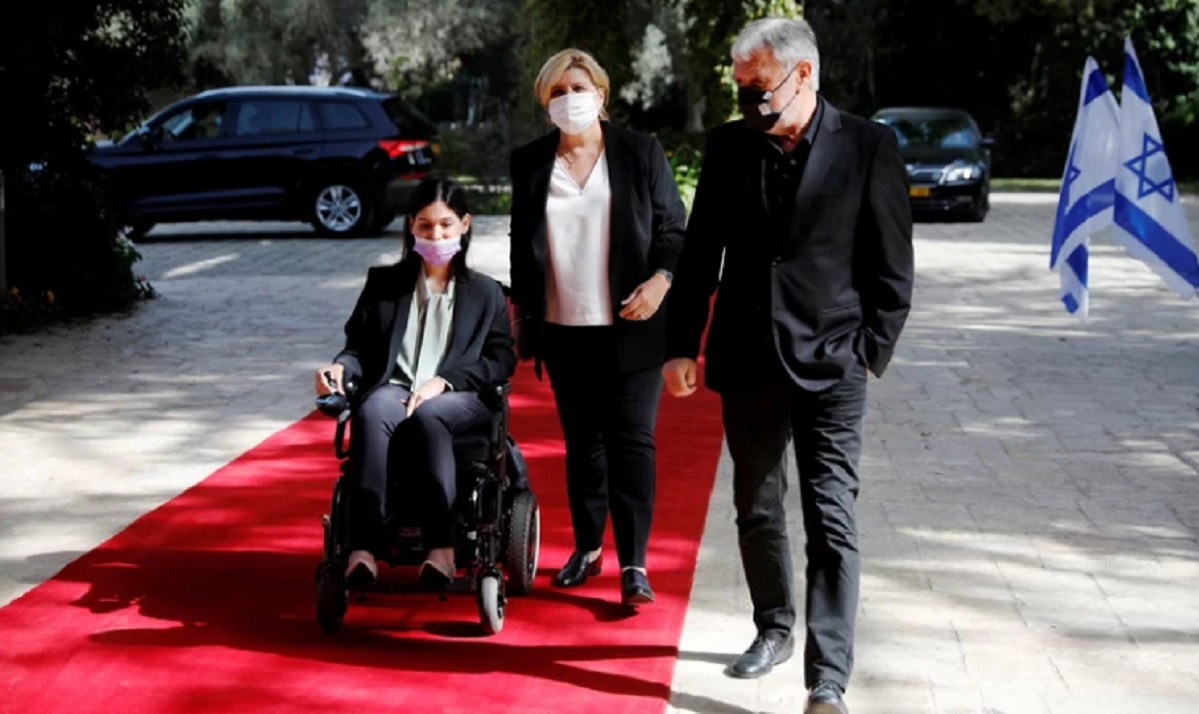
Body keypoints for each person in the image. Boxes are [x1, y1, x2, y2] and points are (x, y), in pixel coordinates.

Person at [661, 17, 914, 714]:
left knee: (831, 517)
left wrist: (869, 352)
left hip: (833, 366)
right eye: (739, 87)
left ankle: (826, 677)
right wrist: (681, 343)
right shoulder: (726, 147)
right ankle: (772, 626)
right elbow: (698, 255)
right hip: (745, 359)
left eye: (755, 86)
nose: (745, 100)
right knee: (755, 508)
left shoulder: (867, 145)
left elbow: (892, 267)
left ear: (802, 75)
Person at [508, 48, 687, 607]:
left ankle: (634, 564)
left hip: (632, 326)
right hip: (564, 328)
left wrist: (662, 281)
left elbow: (675, 230)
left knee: (632, 443)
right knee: (583, 445)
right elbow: (521, 247)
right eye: (556, 92)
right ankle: (587, 549)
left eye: (578, 88)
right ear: (545, 104)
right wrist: (522, 321)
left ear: (602, 95)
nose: (569, 99)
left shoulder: (639, 151)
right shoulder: (531, 163)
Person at [315, 178, 516, 592]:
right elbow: (358, 348)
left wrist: (446, 381)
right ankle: (363, 549)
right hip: (395, 386)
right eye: (425, 226)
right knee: (372, 410)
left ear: (465, 224)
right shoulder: (384, 286)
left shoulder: (486, 293)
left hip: (459, 397)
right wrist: (339, 369)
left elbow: (501, 359)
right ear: (411, 227)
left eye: (445, 225)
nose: (436, 235)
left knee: (430, 414)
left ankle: (442, 548)